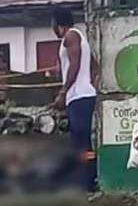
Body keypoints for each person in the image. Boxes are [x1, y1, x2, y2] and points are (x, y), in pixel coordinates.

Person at [51, 6, 99, 192]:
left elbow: (76, 64)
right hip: (81, 95)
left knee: (81, 141)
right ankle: (87, 180)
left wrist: (63, 91)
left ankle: (87, 182)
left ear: (58, 23)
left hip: (79, 96)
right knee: (81, 141)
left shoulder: (70, 36)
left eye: (52, 24)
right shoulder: (79, 37)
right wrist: (92, 84)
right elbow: (94, 65)